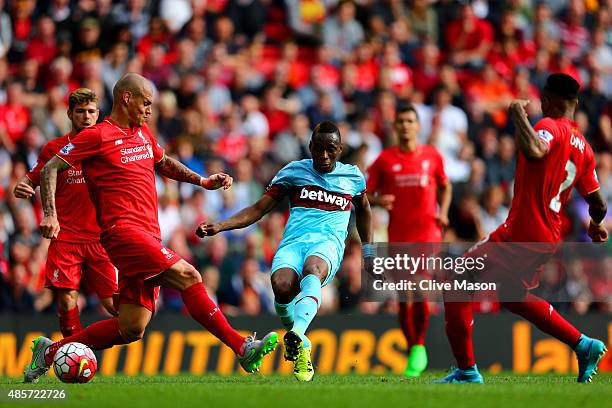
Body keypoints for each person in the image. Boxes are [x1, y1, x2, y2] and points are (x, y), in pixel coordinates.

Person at [24, 73, 277, 383]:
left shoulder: (141, 133)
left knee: (132, 326)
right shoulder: (97, 136)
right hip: (123, 232)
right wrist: (51, 214)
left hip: (147, 233)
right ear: (126, 98)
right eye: (145, 103)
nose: (149, 110)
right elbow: (51, 168)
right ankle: (242, 347)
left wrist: (202, 181)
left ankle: (49, 353)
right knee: (189, 275)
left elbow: (164, 161)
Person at [436, 73, 608, 383]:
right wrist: (596, 224)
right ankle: (583, 345)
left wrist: (517, 114)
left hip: (524, 229)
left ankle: (466, 370)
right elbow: (599, 203)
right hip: (548, 236)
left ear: (546, 100)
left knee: (457, 277)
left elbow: (535, 150)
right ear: (576, 103)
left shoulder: (546, 127)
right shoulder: (584, 148)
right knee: (513, 296)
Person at [197, 120, 373, 382]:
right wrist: (222, 225)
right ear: (310, 146)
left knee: (312, 270)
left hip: (328, 244)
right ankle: (300, 345)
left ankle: (298, 332)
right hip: (293, 242)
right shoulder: (293, 172)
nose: (324, 155)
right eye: (319, 149)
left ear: (340, 149)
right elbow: (258, 210)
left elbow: (365, 210)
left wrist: (368, 250)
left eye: (331, 149)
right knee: (281, 285)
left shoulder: (353, 177)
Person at [13, 88, 118, 336]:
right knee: (67, 300)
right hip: (66, 237)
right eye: (80, 111)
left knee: (114, 306)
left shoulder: (107, 148)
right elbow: (31, 178)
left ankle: (65, 350)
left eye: (91, 111)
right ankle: (70, 355)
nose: (86, 116)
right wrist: (23, 185)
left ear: (98, 114)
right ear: (69, 113)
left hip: (100, 238)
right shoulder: (54, 149)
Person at [366, 105, 451, 377]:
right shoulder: (384, 160)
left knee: (419, 288)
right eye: (400, 121)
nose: (405, 126)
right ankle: (413, 346)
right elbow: (364, 195)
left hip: (427, 233)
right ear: (394, 126)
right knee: (403, 298)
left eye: (410, 121)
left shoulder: (432, 156)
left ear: (418, 126)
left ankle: (420, 347)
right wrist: (379, 200)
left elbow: (445, 185)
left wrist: (444, 213)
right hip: (399, 237)